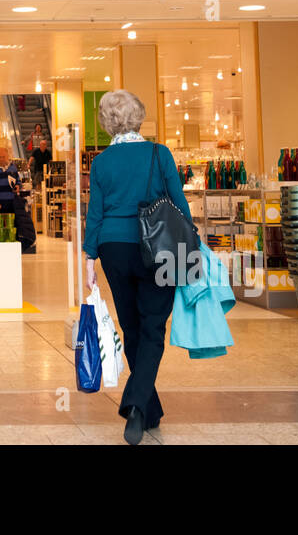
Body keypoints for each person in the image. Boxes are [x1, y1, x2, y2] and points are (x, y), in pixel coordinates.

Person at [83, 89, 192, 446]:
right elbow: (179, 204)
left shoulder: (101, 163)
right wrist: (194, 246)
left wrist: (88, 258)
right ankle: (134, 405)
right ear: (139, 117)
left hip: (114, 249)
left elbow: (95, 214)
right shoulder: (160, 155)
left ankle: (150, 409)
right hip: (158, 246)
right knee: (152, 327)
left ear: (106, 123)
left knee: (131, 325)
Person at [0, 147, 36, 252]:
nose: (1, 159)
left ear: (7, 157)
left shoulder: (12, 168)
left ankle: (12, 249)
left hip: (12, 203)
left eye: (3, 157)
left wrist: (18, 186)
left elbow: (18, 181)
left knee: (12, 226)